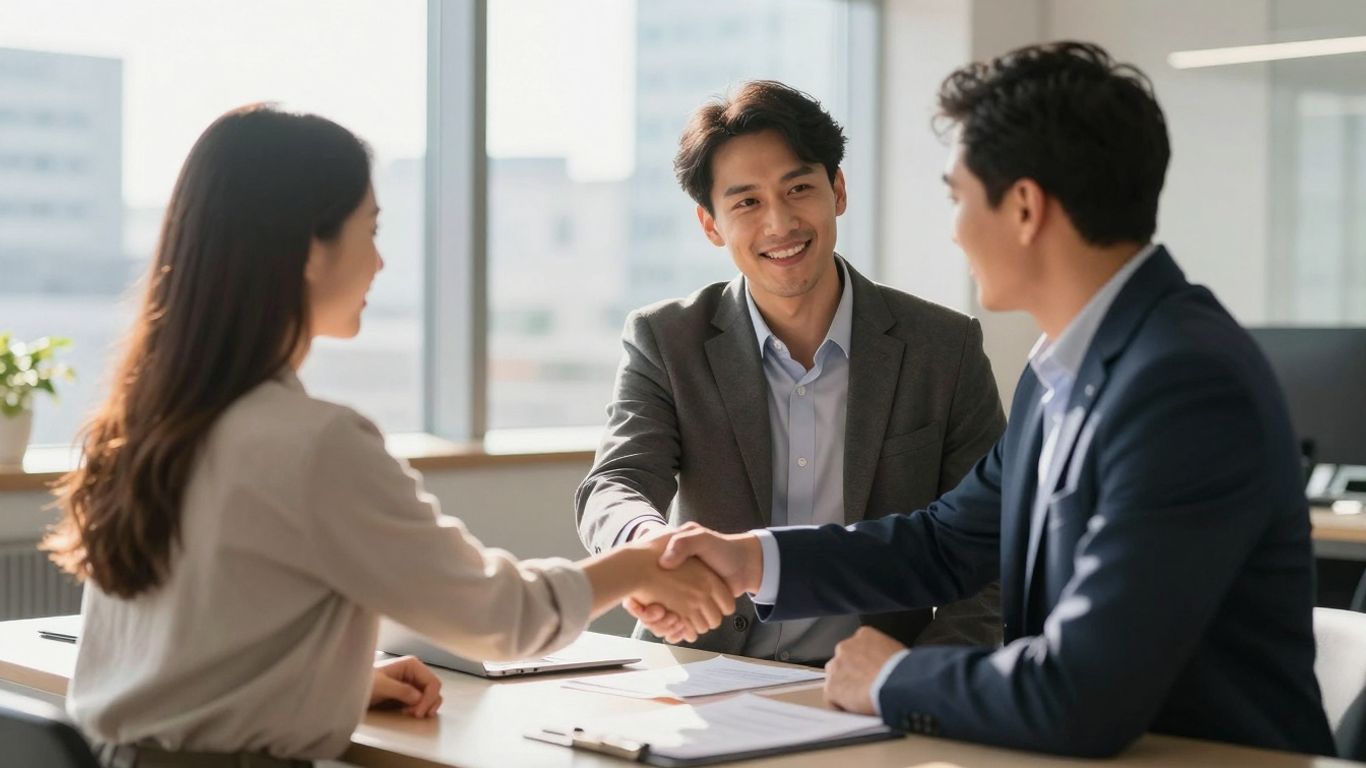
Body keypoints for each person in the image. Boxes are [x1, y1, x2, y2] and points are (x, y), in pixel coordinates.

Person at [636, 43, 1337, 758]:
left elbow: (1083, 693)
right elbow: (947, 543)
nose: (954, 228)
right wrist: (750, 560)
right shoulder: (1058, 369)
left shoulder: (1184, 384)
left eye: (958, 197)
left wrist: (891, 678)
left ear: (1024, 208)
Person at [42, 104, 733, 768]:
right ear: (308, 250)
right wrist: (637, 565)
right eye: (369, 231)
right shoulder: (314, 445)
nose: (378, 263)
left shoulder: (148, 424)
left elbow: (199, 634)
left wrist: (329, 683)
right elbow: (502, 618)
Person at [576, 80, 1006, 664]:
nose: (779, 224)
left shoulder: (944, 348)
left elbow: (989, 552)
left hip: (868, 680)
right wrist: (651, 549)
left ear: (838, 191)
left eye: (799, 188)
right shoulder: (666, 339)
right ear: (710, 224)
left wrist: (918, 682)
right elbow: (615, 483)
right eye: (747, 203)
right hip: (704, 670)